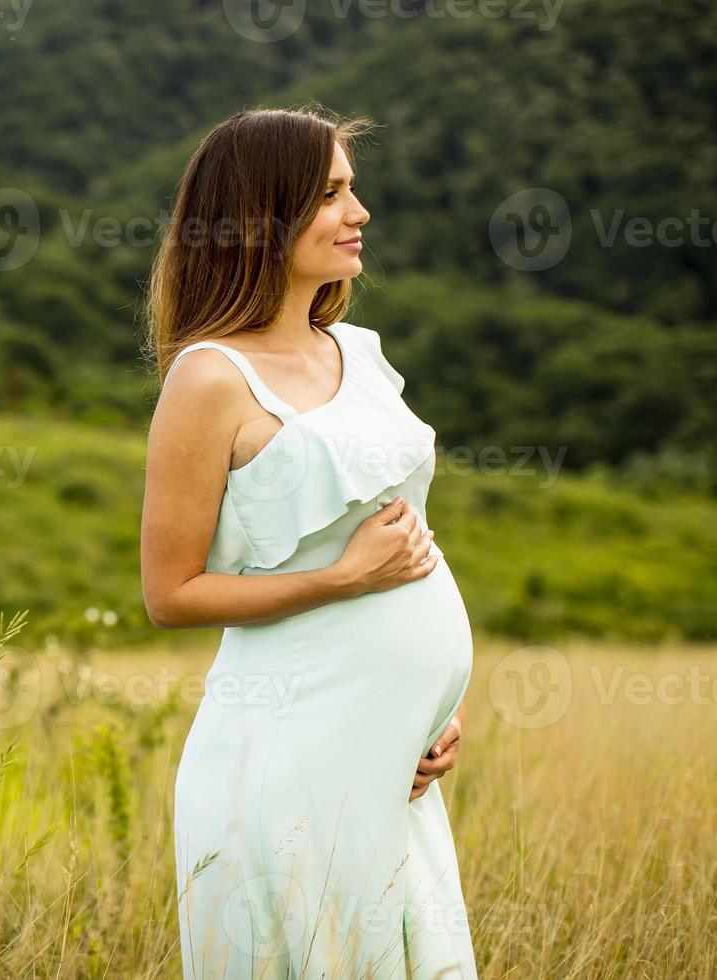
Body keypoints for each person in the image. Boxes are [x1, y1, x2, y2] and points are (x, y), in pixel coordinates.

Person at [139, 104, 478, 979]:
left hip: (389, 760)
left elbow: (406, 538)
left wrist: (434, 714)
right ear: (261, 216)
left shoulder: (359, 352)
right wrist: (341, 581)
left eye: (353, 189)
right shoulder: (210, 376)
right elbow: (171, 593)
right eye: (331, 194)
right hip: (286, 757)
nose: (359, 212)